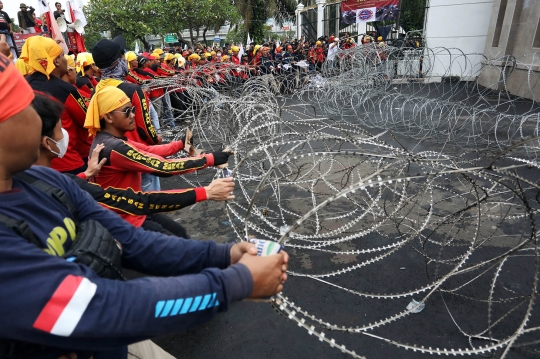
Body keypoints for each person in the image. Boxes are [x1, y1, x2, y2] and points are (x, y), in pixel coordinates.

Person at [0, 50, 288, 358]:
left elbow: (134, 242)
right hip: (106, 328)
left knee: (174, 237)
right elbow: (103, 308)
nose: (36, 114)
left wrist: (226, 253)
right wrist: (238, 282)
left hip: (112, 344)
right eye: (23, 105)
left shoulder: (46, 183)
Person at [33, 91, 234, 238]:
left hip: (135, 211)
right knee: (179, 245)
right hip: (128, 217)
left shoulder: (113, 140)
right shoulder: (114, 147)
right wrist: (209, 161)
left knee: (180, 233)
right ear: (108, 117)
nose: (133, 115)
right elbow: (161, 168)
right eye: (127, 111)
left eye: (134, 109)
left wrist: (179, 144)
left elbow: (151, 152)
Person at [22, 36, 90, 174]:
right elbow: (87, 120)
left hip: (35, 165)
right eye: (62, 55)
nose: (65, 59)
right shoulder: (65, 89)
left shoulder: (21, 85)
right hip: (68, 162)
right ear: (56, 61)